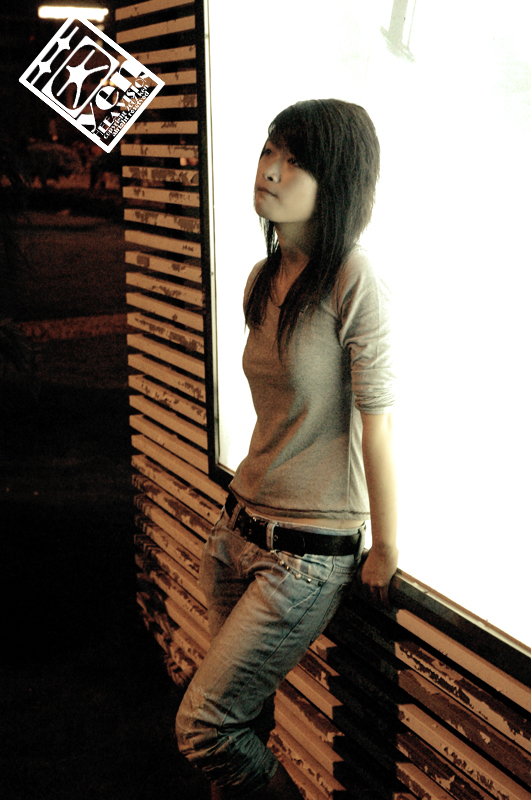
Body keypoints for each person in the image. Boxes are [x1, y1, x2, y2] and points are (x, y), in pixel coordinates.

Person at [176, 99, 398, 799]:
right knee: (241, 724)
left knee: (205, 729)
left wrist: (385, 545)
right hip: (235, 530)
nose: (268, 171)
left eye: (294, 161)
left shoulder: (353, 278)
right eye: (268, 151)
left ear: (336, 182)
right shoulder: (261, 277)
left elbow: (376, 423)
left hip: (304, 555)